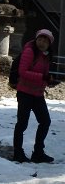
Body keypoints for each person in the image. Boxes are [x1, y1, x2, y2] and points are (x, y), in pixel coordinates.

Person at [13, 29, 55, 163]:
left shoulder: (46, 55)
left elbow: (43, 74)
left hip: (37, 93)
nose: (42, 43)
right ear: (36, 39)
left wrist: (49, 80)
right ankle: (18, 153)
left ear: (49, 43)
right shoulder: (29, 51)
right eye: (40, 39)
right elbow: (23, 72)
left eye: (45, 41)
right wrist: (43, 77)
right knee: (22, 124)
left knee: (45, 121)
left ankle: (38, 152)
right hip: (25, 92)